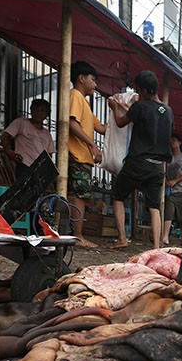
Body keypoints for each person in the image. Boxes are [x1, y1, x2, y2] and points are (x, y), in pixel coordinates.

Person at [107, 70, 174, 250]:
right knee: (154, 206)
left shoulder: (140, 106)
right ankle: (157, 247)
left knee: (118, 195)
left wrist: (114, 106)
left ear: (144, 90)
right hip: (159, 166)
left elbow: (121, 122)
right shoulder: (168, 111)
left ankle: (122, 238)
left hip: (138, 162)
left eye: (138, 90)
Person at [68, 61, 107, 248]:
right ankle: (77, 236)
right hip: (77, 155)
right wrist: (92, 145)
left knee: (78, 195)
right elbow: (71, 123)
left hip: (82, 157)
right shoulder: (75, 96)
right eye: (93, 80)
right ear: (81, 78)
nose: (95, 84)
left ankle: (75, 235)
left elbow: (101, 128)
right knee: (78, 196)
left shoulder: (85, 103)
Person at [1, 99, 56, 182]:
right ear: (31, 110)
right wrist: (9, 151)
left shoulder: (47, 134)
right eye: (36, 109)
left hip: (39, 170)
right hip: (23, 165)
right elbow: (5, 136)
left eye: (42, 110)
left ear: (47, 114)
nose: (39, 113)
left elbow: (49, 154)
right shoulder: (21, 122)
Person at [162, 132, 182, 246]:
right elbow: (163, 173)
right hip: (171, 191)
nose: (172, 142)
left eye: (174, 140)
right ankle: (165, 237)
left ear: (179, 142)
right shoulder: (168, 159)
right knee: (168, 213)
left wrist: (175, 181)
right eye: (171, 140)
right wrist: (166, 182)